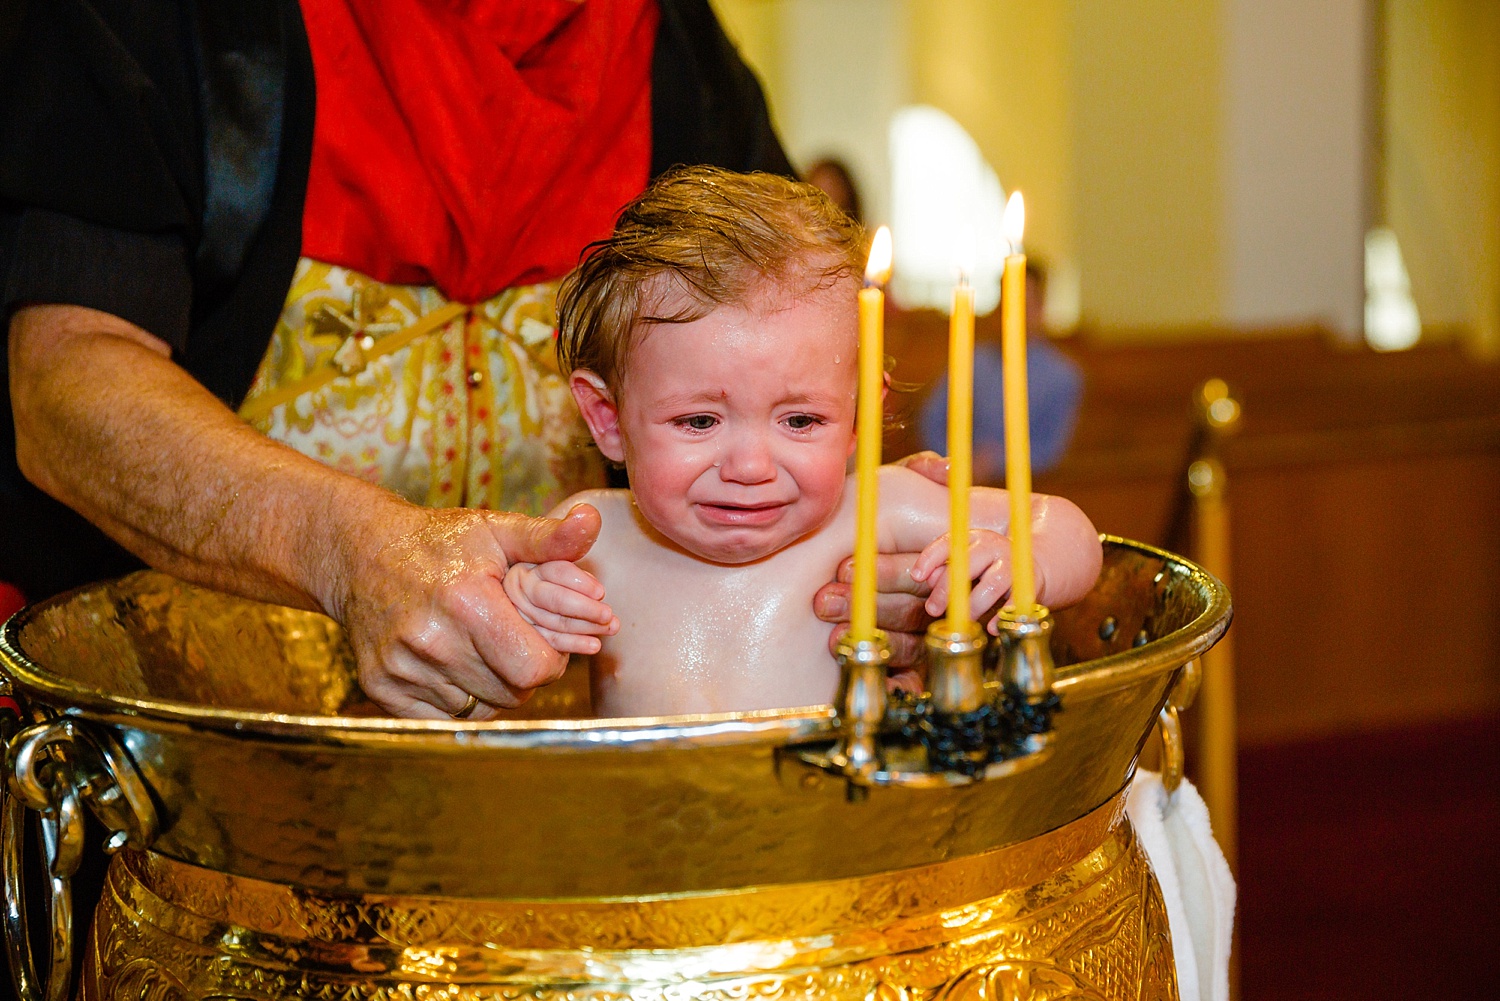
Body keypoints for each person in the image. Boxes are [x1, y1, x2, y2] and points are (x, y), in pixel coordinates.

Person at [0, 0, 945, 725]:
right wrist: (346, 549)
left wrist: (846, 594)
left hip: (574, 763)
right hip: (212, 741)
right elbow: (66, 381)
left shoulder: (671, 43)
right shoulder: (156, 19)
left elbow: (789, 357)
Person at [504, 168, 1103, 717]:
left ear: (859, 417)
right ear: (608, 419)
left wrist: (1029, 563)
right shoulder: (589, 539)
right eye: (699, 422)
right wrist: (527, 608)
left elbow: (1066, 527)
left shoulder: (873, 511)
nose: (749, 466)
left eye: (800, 422)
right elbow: (497, 678)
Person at [920, 261, 1083, 479]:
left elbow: (1051, 447)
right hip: (958, 478)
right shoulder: (971, 361)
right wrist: (957, 462)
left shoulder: (1062, 375)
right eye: (1008, 302)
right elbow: (932, 420)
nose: (1015, 313)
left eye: (1024, 303)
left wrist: (996, 461)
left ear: (1040, 305)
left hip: (1030, 485)